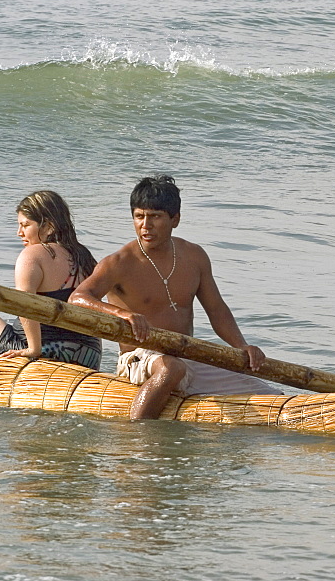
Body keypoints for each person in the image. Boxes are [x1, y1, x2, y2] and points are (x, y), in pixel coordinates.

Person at [69, 175, 279, 419]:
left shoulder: (194, 256)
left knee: (268, 395)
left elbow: (217, 309)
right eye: (139, 216)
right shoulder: (119, 262)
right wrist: (123, 314)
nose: (145, 226)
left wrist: (241, 346)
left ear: (175, 219)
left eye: (155, 217)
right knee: (171, 369)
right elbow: (78, 298)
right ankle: (135, 433)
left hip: (186, 355)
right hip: (139, 359)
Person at [0, 190, 102, 370]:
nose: (19, 232)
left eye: (26, 225)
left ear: (49, 227)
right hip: (88, 355)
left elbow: (26, 303)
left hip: (47, 352)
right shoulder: (86, 258)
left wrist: (33, 349)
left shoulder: (32, 255)